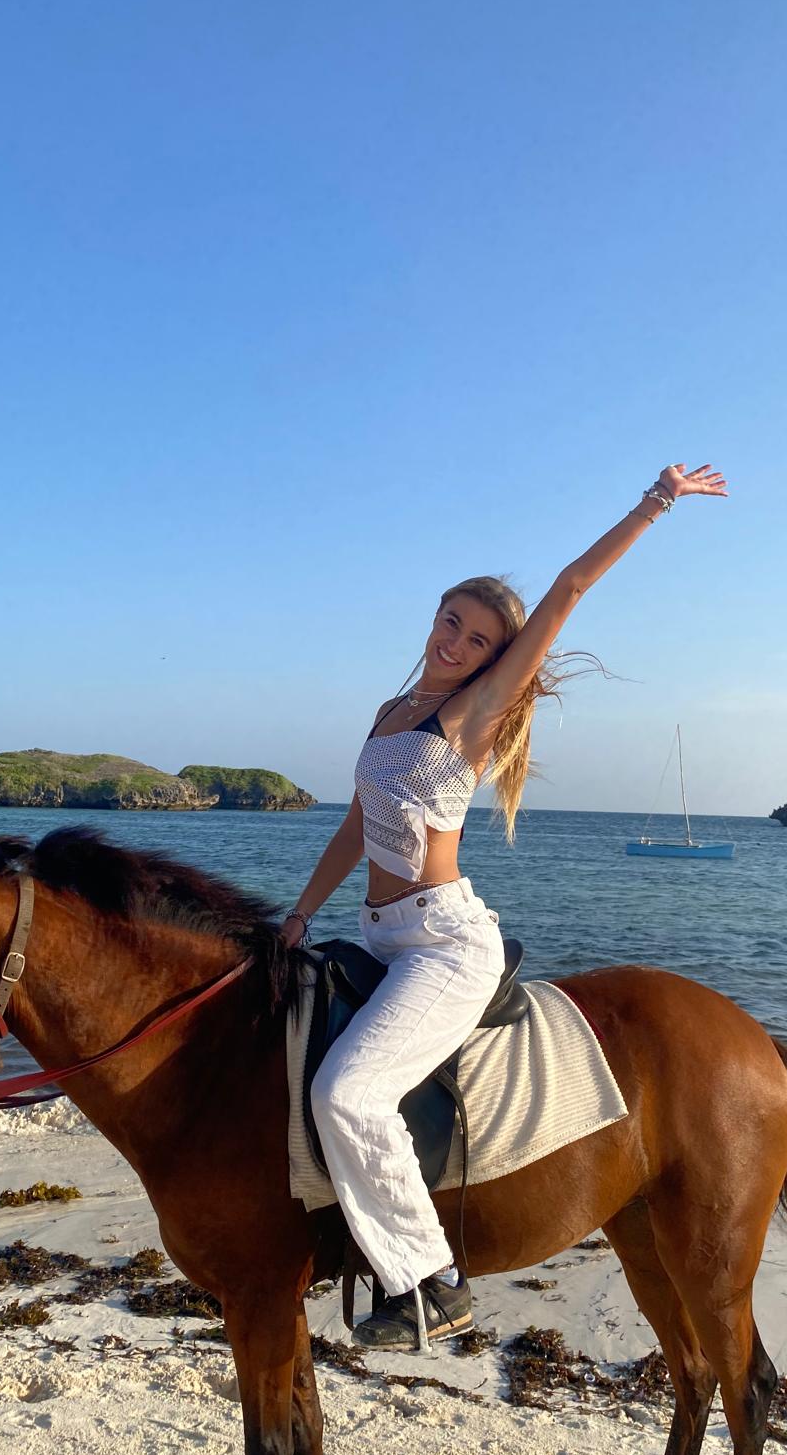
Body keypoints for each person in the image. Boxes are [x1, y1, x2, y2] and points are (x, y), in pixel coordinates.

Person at [280, 462, 728, 1350]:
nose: (456, 641)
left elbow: (566, 590)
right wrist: (298, 912)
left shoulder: (476, 714)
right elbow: (356, 826)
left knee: (348, 1092)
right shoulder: (392, 709)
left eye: (478, 638)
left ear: (496, 660)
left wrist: (656, 500)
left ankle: (431, 1281)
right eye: (451, 621)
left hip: (444, 945)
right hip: (377, 936)